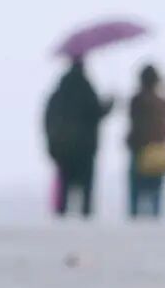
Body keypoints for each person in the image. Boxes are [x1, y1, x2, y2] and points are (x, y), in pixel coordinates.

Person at [44, 58, 113, 217]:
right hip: (85, 148)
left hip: (63, 147)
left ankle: (61, 216)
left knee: (64, 184)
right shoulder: (86, 90)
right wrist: (109, 105)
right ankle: (85, 215)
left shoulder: (58, 94)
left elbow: (48, 119)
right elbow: (96, 112)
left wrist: (51, 144)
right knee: (86, 186)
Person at [127, 64, 165, 219]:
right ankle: (154, 222)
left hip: (138, 151)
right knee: (155, 193)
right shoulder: (160, 103)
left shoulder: (136, 100)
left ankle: (134, 220)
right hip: (156, 153)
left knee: (135, 194)